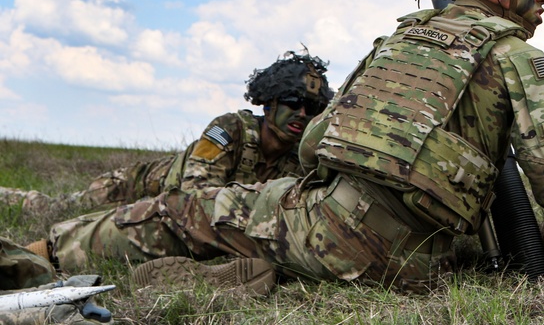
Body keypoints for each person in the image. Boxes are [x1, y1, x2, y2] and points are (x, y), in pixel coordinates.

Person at [34, 0, 544, 292]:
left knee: (183, 211)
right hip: (420, 260)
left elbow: (313, 145)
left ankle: (41, 255)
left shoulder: (396, 45)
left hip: (341, 238)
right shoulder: (521, 61)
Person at [1, 51, 331, 216]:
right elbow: (192, 193)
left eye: (312, 108)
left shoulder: (297, 160)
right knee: (55, 208)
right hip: (132, 189)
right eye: (292, 101)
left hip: (165, 212)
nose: (302, 114)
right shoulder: (230, 129)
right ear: (268, 102)